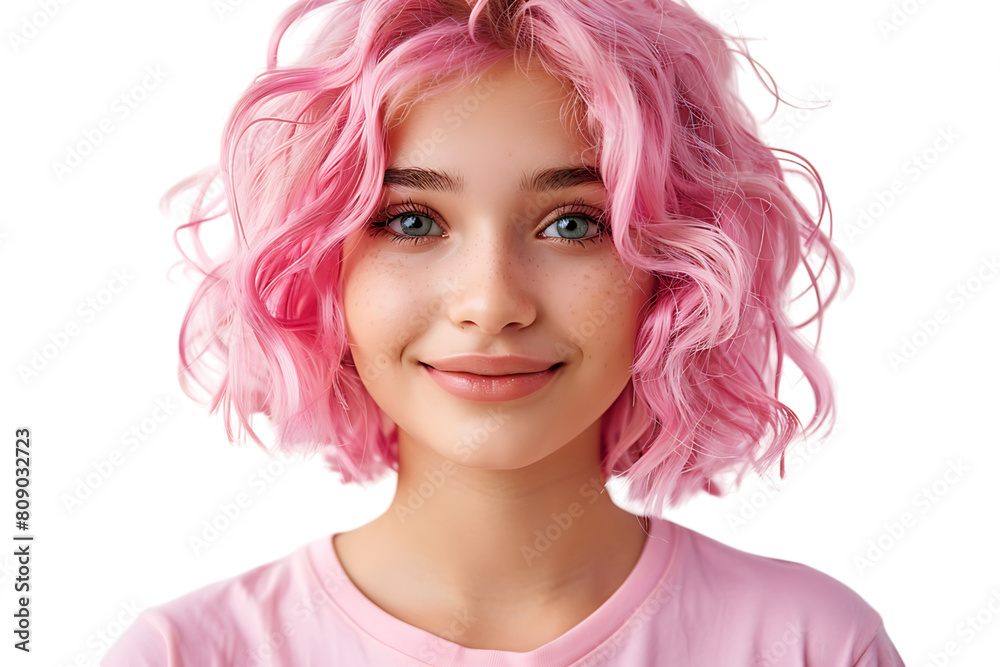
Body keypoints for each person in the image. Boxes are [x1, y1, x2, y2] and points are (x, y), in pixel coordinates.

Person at [103, 0, 906, 664]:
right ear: (316, 264)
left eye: (571, 223)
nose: (491, 304)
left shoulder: (813, 644)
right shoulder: (187, 653)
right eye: (412, 220)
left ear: (676, 270)